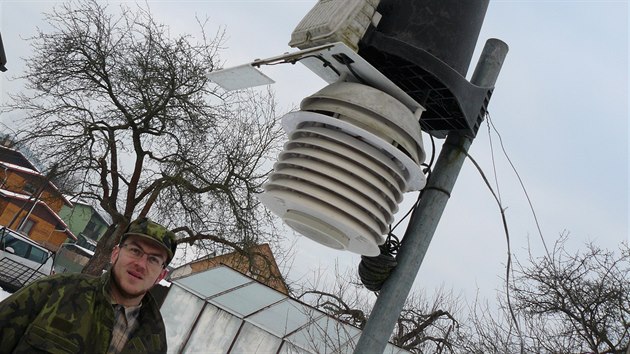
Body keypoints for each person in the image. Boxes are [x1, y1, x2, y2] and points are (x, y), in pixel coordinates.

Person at [0, 217, 178, 353]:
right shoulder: (53, 292)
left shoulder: (154, 341)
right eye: (135, 250)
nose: (141, 264)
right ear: (115, 254)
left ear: (161, 275)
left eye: (153, 259)